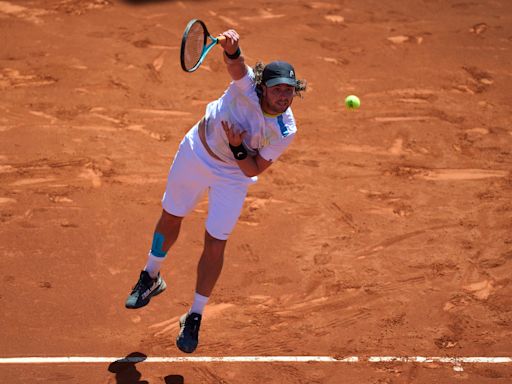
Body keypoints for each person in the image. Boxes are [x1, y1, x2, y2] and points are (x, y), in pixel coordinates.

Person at [124, 28, 306, 354]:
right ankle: (150, 276)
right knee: (171, 215)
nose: (284, 96)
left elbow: (252, 169)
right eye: (277, 89)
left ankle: (194, 314)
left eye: (289, 91)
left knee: (216, 242)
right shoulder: (246, 87)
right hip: (196, 152)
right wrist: (233, 49)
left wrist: (237, 148)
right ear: (262, 88)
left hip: (233, 176)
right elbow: (237, 66)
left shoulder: (285, 129)